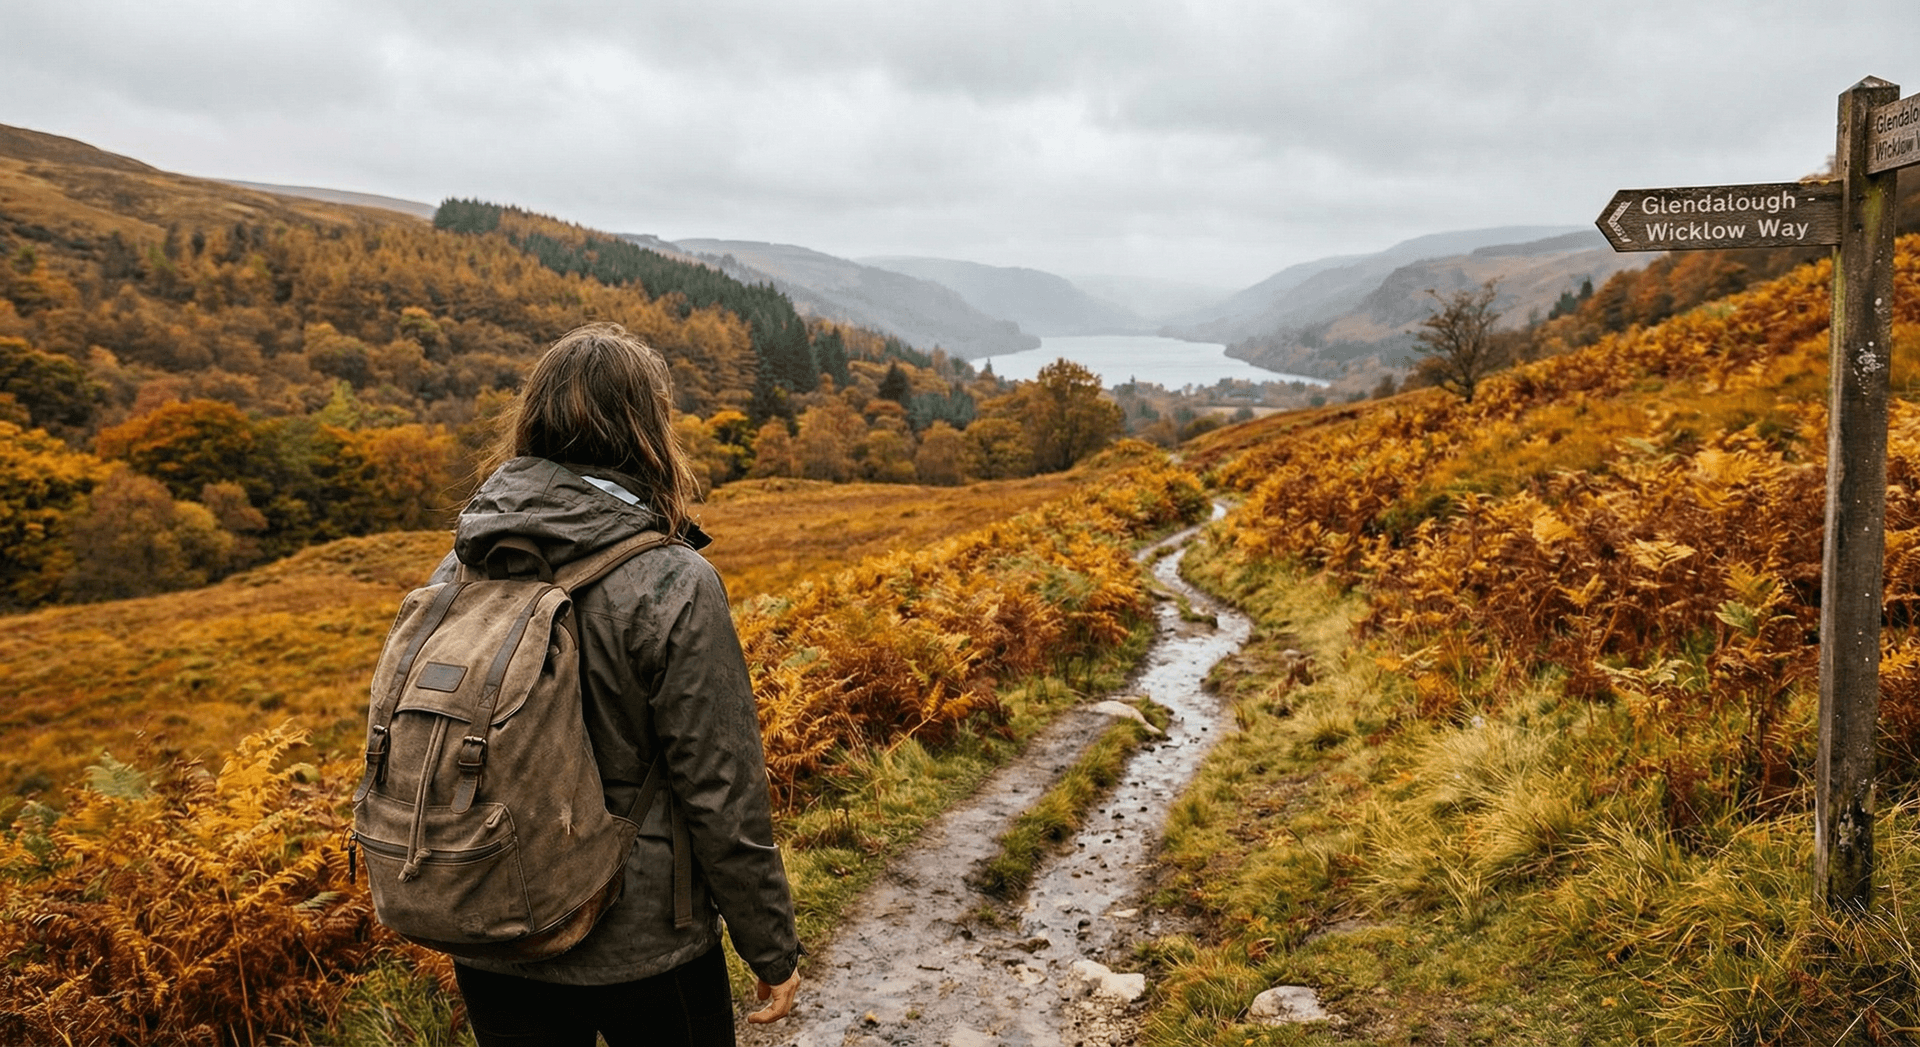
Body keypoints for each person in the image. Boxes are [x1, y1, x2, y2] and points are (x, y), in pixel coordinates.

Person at [430, 322, 801, 1046]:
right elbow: (722, 791)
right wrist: (770, 945)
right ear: (646, 428)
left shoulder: (459, 564)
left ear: (531, 420)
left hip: (492, 926)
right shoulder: (672, 578)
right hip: (643, 949)